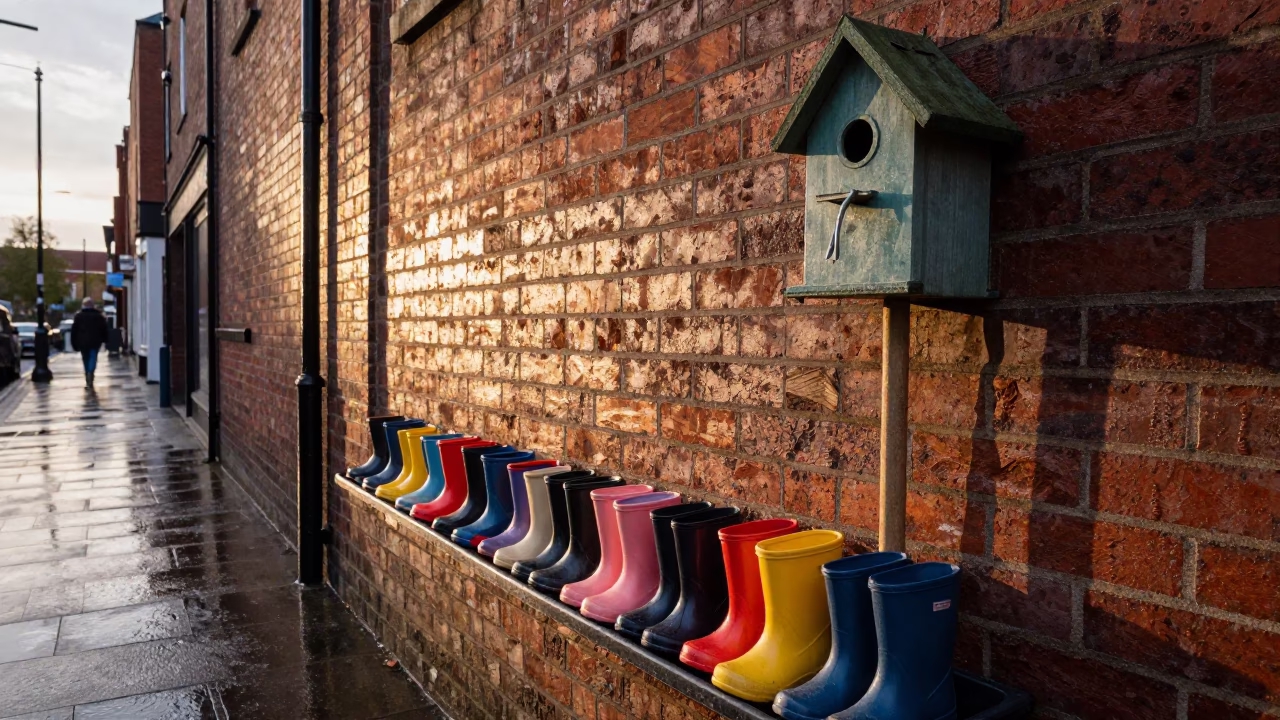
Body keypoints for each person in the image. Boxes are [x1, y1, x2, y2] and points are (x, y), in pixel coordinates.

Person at [70, 298, 109, 388]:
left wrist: (74, 343)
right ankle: (90, 373)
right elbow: (104, 329)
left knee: (85, 358)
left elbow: (74, 331)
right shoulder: (98, 316)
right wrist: (105, 339)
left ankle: (87, 373)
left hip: (82, 342)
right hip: (95, 340)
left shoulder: (79, 316)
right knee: (93, 357)